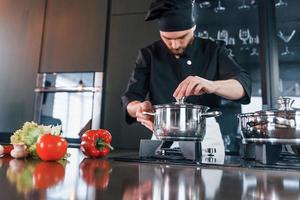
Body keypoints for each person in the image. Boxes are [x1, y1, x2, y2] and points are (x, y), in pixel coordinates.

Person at [121, 0, 251, 155]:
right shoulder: (149, 54)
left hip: (204, 136)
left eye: (182, 37)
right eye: (167, 39)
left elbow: (243, 86)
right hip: (163, 132)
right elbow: (130, 97)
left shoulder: (213, 50)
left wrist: (212, 85)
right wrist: (139, 109)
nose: (175, 44)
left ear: (193, 28)